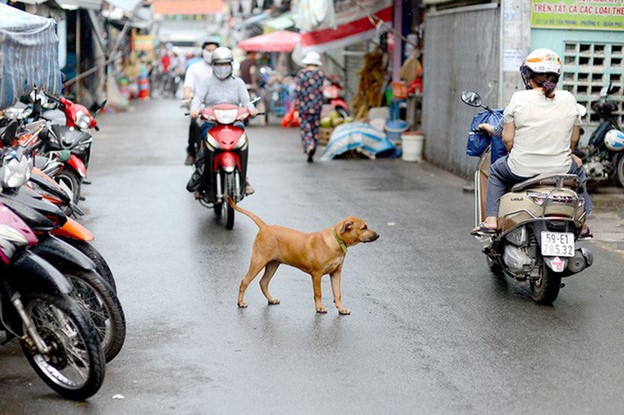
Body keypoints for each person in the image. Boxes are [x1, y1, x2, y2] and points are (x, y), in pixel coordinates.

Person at [472, 48, 593, 238]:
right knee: (578, 168)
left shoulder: (519, 98)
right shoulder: (569, 99)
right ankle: (584, 223)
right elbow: (574, 139)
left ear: (528, 76)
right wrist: (567, 153)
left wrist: (516, 151)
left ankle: (491, 220)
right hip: (559, 169)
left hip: (521, 168)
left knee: (495, 171)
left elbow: (506, 138)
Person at [189, 47, 257, 199]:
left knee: (243, 143)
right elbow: (198, 98)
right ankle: (202, 180)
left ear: (231, 65)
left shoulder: (238, 83)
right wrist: (194, 109)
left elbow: (247, 102)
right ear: (213, 65)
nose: (222, 68)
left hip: (234, 123)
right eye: (219, 64)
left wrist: (252, 109)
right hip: (212, 123)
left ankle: (244, 179)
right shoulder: (206, 82)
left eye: (225, 64)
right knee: (205, 145)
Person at [182, 40, 220, 166]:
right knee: (194, 123)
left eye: (213, 50)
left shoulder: (223, 68)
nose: (211, 53)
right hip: (200, 107)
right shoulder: (194, 68)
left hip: (222, 108)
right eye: (208, 50)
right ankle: (191, 152)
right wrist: (189, 96)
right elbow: (188, 87)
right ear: (203, 51)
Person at [293, 51, 326, 162]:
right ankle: (313, 147)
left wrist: (295, 104)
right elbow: (322, 90)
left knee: (305, 128)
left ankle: (309, 145)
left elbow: (297, 91)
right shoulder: (320, 74)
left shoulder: (301, 74)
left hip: (304, 106)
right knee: (315, 128)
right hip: (317, 106)